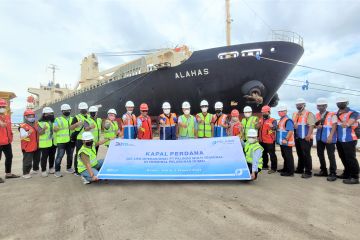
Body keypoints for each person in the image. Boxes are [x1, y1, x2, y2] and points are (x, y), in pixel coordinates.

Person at [335, 97, 359, 184]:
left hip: (350, 139)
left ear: (347, 103)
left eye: (342, 102)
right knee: (343, 157)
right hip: (340, 139)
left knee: (351, 158)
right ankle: (347, 173)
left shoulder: (353, 113)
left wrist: (347, 123)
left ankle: (355, 177)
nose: (340, 104)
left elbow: (350, 122)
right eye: (338, 103)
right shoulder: (336, 113)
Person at [314, 98, 338, 181]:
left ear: (326, 106)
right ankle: (323, 171)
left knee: (331, 156)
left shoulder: (332, 114)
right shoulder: (316, 115)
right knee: (320, 155)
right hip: (319, 138)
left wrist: (331, 136)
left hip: (329, 138)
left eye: (322, 105)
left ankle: (333, 173)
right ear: (317, 107)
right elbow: (314, 125)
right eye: (319, 106)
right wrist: (317, 126)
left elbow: (334, 125)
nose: (320, 107)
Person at [292, 98, 316, 179]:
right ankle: (300, 169)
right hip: (298, 137)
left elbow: (312, 125)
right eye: (297, 105)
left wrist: (308, 135)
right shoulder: (295, 114)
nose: (298, 106)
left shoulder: (309, 113)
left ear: (304, 105)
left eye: (300, 104)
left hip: (306, 138)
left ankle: (308, 172)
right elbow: (294, 124)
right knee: (300, 154)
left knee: (306, 155)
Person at [70, 102, 93, 175]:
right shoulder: (76, 117)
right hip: (80, 139)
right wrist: (77, 124)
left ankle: (87, 168)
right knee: (79, 154)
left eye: (85, 108)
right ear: (80, 109)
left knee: (88, 154)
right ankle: (77, 171)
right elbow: (70, 128)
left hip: (89, 138)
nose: (84, 110)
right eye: (82, 109)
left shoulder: (89, 116)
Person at [0, 98, 19, 182]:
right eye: (1, 106)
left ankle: (8, 174)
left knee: (9, 156)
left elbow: (7, 127)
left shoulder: (7, 116)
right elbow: (2, 125)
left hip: (7, 141)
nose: (3, 108)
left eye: (4, 106)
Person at [53, 104, 75, 178]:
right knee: (60, 156)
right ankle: (57, 171)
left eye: (68, 110)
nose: (67, 112)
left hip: (70, 141)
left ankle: (68, 168)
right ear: (62, 111)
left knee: (70, 155)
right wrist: (57, 128)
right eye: (65, 111)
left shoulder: (73, 118)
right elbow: (55, 128)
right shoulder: (57, 119)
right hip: (61, 141)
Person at [19, 109, 40, 179]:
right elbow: (22, 136)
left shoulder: (36, 124)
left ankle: (35, 169)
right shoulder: (23, 126)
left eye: (32, 116)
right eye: (29, 116)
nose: (32, 117)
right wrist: (28, 133)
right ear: (25, 117)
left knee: (37, 159)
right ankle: (25, 173)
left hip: (36, 145)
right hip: (27, 146)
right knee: (27, 161)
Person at [276, 105, 295, 177]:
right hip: (282, 142)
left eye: (281, 111)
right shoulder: (281, 119)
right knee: (285, 156)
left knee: (288, 157)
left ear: (285, 112)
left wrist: (286, 139)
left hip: (286, 142)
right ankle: (285, 169)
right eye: (279, 111)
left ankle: (290, 172)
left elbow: (290, 131)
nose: (280, 112)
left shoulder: (288, 120)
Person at [258, 105, 277, 174]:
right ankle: (265, 165)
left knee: (272, 154)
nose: (263, 114)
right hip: (262, 140)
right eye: (263, 112)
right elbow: (258, 129)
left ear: (269, 112)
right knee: (263, 154)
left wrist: (273, 127)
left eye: (265, 112)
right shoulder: (260, 119)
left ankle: (273, 168)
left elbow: (275, 128)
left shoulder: (273, 120)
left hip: (270, 140)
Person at [38, 107, 57, 177]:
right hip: (45, 144)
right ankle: (43, 170)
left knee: (52, 156)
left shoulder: (54, 121)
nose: (49, 115)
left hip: (53, 142)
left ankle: (51, 168)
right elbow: (40, 133)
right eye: (47, 114)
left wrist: (56, 129)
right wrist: (43, 129)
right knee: (44, 157)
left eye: (51, 113)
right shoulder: (40, 122)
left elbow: (57, 130)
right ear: (44, 114)